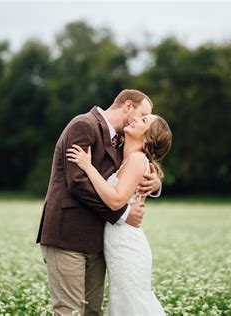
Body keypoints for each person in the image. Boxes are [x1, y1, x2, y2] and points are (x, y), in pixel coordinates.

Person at [36, 89, 162, 315]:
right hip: (68, 234)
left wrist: (155, 183)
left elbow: (133, 169)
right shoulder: (83, 125)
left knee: (93, 312)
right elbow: (77, 183)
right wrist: (122, 213)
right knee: (69, 312)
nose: (140, 121)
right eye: (142, 115)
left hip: (97, 241)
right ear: (128, 107)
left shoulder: (120, 139)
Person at [67, 113, 172, 315]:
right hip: (117, 246)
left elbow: (115, 201)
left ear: (148, 137)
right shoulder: (126, 157)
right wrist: (157, 183)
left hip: (127, 247)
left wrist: (87, 167)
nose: (135, 119)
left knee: (131, 304)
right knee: (123, 303)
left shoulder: (137, 159)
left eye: (143, 121)